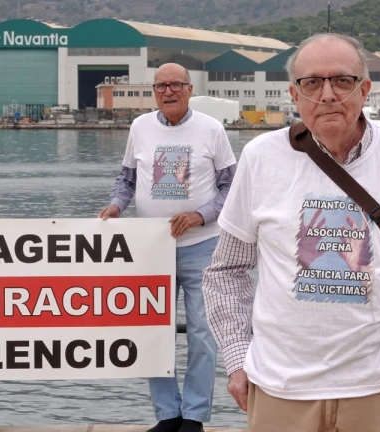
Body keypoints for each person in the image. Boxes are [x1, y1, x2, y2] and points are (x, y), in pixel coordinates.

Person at [203, 33, 380, 432]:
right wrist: (237, 356)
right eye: (312, 82)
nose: (328, 94)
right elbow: (226, 271)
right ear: (294, 94)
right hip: (280, 388)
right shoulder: (261, 157)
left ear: (364, 89)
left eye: (342, 80)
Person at [98, 63, 237, 432]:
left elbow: (232, 187)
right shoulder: (139, 127)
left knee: (202, 334)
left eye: (176, 84)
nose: (169, 91)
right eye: (161, 86)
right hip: (152, 248)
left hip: (203, 246)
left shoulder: (212, 129)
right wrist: (116, 206)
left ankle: (193, 417)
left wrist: (200, 215)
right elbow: (126, 179)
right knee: (153, 333)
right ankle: (167, 414)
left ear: (189, 89)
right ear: (154, 91)